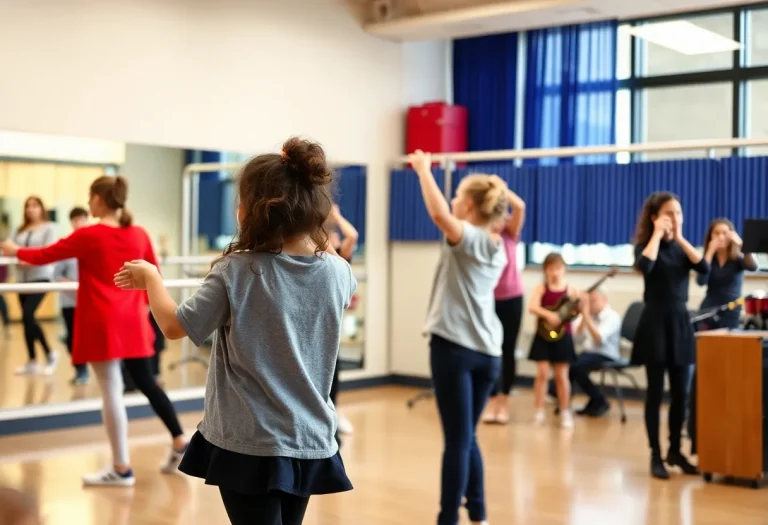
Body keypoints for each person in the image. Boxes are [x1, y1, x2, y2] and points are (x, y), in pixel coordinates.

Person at [114, 138, 355, 525]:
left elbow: (176, 326)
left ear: (252, 211)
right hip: (309, 439)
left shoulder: (237, 271)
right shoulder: (338, 271)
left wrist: (152, 279)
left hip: (250, 441)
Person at [1, 176, 188, 486]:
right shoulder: (139, 233)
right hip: (133, 320)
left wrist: (13, 249)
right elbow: (152, 274)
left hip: (103, 321)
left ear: (99, 200)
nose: (88, 204)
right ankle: (179, 440)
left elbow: (42, 256)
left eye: (90, 198)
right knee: (147, 382)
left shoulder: (89, 235)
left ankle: (121, 467)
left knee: (112, 390)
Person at [411, 149, 506, 525]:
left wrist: (423, 170)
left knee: (457, 440)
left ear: (467, 205)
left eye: (457, 199)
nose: (452, 203)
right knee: (468, 437)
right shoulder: (498, 246)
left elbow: (439, 215)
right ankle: (479, 513)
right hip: (488, 353)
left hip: (456, 350)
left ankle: (447, 518)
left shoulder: (473, 238)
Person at [632, 191, 708, 480]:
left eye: (678, 213)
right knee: (655, 393)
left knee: (681, 393)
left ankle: (676, 450)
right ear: (654, 217)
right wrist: (657, 235)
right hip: (655, 322)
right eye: (668, 213)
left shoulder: (681, 248)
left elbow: (703, 267)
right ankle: (656, 454)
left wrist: (678, 237)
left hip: (680, 321)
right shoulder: (644, 245)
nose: (675, 218)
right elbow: (645, 266)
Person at [688, 218, 758, 454]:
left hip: (730, 313)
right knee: (704, 364)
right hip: (708, 311)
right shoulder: (708, 256)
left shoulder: (738, 257)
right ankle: (698, 419)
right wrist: (708, 251)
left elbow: (753, 265)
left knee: (728, 364)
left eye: (725, 233)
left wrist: (743, 244)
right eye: (717, 233)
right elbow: (700, 279)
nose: (721, 237)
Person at [481, 187, 525, 425]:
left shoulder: (510, 234)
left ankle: (503, 402)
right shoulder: (482, 235)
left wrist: (502, 189)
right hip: (488, 299)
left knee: (508, 350)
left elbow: (519, 207)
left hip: (513, 299)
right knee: (491, 349)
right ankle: (490, 399)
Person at [528, 253, 577, 429]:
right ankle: (539, 411)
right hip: (543, 334)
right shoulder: (541, 288)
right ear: (545, 270)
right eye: (550, 268)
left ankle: (565, 411)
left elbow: (574, 312)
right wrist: (549, 314)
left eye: (558, 268)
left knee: (561, 376)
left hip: (563, 336)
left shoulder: (570, 290)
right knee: (542, 373)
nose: (554, 272)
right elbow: (532, 307)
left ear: (564, 270)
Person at [13, 196, 58, 376]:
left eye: (35, 206)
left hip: (41, 277)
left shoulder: (49, 228)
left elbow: (48, 251)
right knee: (26, 320)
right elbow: (10, 248)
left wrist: (27, 260)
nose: (31, 210)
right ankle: (32, 360)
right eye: (28, 206)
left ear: (41, 208)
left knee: (28, 314)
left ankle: (50, 353)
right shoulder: (20, 229)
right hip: (22, 280)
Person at [327, 204, 358, 438]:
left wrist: (337, 216)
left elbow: (352, 235)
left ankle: (332, 413)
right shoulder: (316, 252)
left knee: (332, 370)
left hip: (331, 322)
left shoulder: (338, 259)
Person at [568, 287, 621, 417]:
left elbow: (599, 339)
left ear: (604, 300)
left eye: (593, 301)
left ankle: (599, 400)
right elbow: (576, 339)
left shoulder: (612, 317)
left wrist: (586, 316)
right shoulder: (587, 315)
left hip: (606, 354)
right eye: (588, 302)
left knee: (577, 366)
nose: (590, 305)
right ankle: (561, 398)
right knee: (566, 363)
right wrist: (583, 317)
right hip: (588, 353)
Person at [53, 207, 90, 385]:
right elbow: (57, 274)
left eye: (82, 219)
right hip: (69, 301)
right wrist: (66, 283)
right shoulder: (67, 244)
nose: (79, 223)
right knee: (72, 337)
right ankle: (80, 370)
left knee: (91, 336)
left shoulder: (94, 242)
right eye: (75, 220)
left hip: (91, 301)